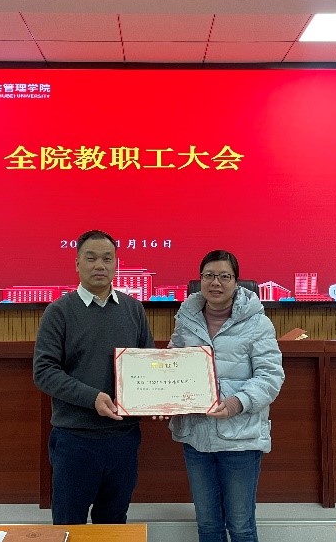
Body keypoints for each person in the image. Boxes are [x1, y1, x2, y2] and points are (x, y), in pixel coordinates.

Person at [33, 229, 155, 525]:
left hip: (123, 439)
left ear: (116, 264)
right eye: (91, 258)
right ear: (77, 264)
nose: (99, 265)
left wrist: (158, 400)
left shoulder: (133, 309)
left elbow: (149, 363)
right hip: (75, 440)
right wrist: (93, 398)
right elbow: (44, 371)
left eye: (107, 259)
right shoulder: (59, 312)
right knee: (69, 523)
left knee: (113, 522)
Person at [168, 250, 284, 542]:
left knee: (241, 526)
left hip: (240, 438)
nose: (215, 282)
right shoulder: (186, 319)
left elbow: (270, 377)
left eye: (224, 276)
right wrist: (164, 399)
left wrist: (235, 403)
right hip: (196, 435)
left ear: (236, 282)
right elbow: (172, 364)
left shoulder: (258, 323)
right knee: (208, 525)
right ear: (200, 280)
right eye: (209, 275)